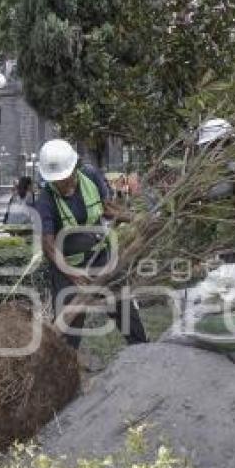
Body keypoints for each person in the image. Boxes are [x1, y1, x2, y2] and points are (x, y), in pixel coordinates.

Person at [34, 139, 147, 349]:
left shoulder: (90, 177)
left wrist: (137, 218)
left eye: (65, 177)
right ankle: (65, 368)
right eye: (56, 180)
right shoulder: (46, 200)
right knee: (69, 328)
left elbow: (108, 209)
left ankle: (141, 351)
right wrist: (73, 274)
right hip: (67, 267)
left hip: (100, 257)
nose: (61, 183)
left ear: (74, 168)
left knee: (123, 308)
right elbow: (48, 245)